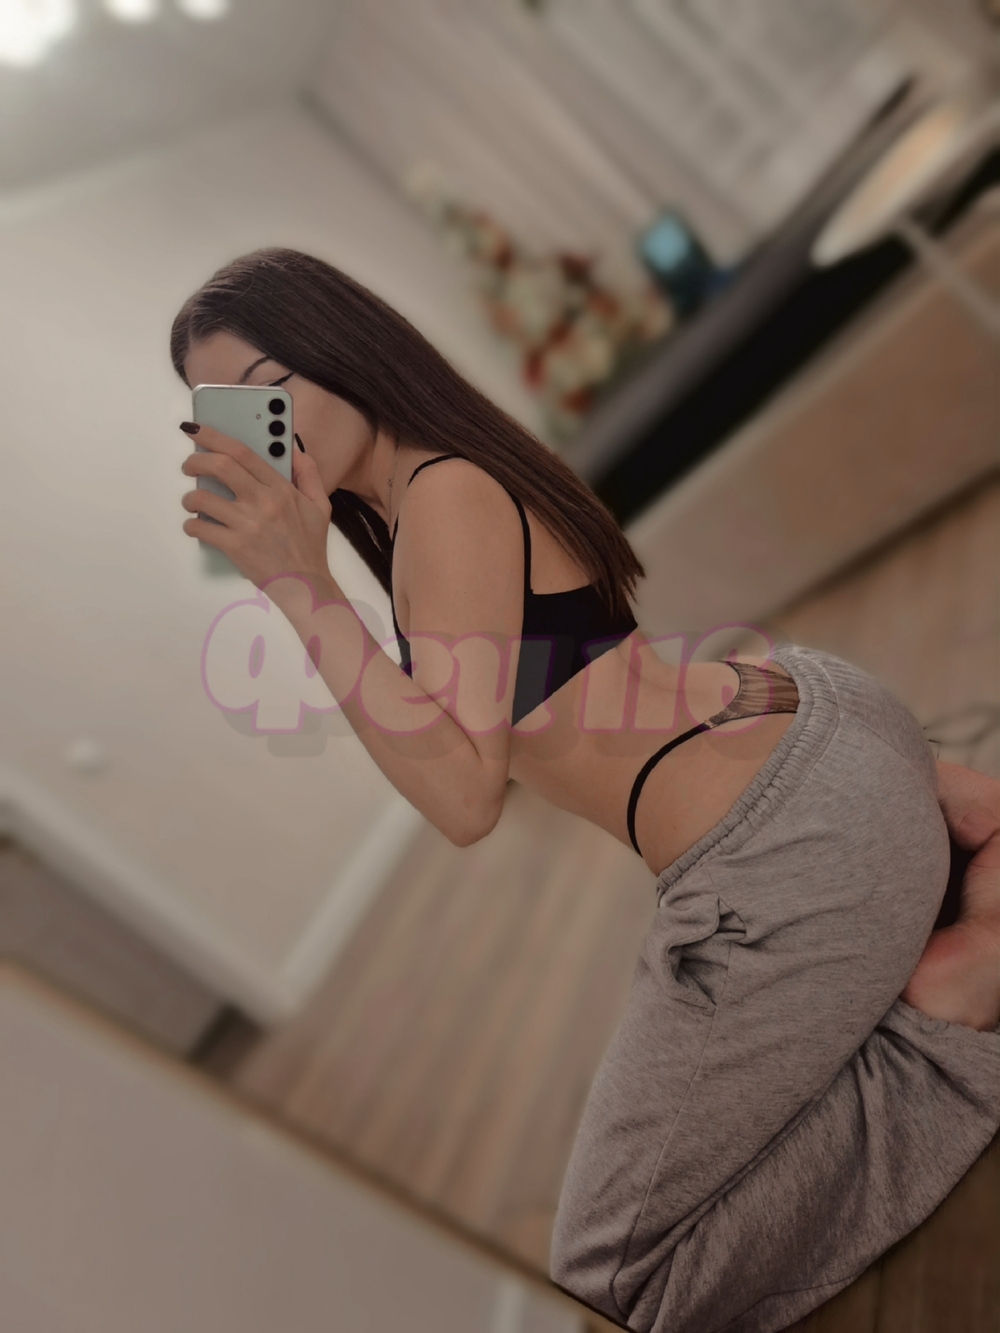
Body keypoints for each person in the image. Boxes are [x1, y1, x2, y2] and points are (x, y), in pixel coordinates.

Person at [170, 249, 1000, 1333]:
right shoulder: (447, 474)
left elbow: (466, 801)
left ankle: (950, 998)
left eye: (273, 387)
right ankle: (948, 834)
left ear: (342, 349)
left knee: (613, 1275)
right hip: (824, 719)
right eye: (233, 413)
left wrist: (298, 583)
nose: (264, 430)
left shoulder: (445, 499)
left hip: (797, 840)